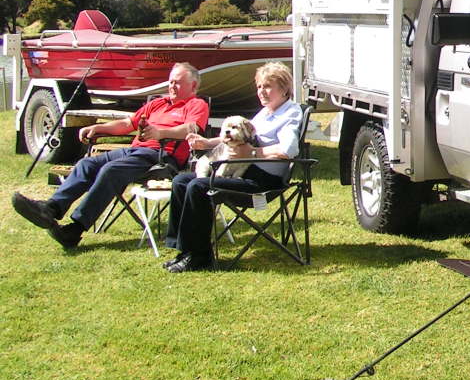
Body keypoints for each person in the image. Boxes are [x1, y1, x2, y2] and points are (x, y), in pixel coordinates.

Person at [11, 62, 209, 250]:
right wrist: (98, 127)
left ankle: (74, 230)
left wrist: (160, 133)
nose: (172, 86)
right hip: (134, 151)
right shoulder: (157, 104)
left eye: (177, 82)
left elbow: (192, 129)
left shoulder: (196, 104)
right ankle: (51, 208)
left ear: (193, 86)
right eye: (170, 81)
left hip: (161, 157)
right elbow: (127, 124)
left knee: (110, 171)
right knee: (86, 164)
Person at [163, 61, 302, 273]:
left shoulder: (289, 113)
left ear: (284, 88)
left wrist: (253, 153)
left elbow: (289, 149)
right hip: (240, 170)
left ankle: (200, 257)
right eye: (259, 86)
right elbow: (236, 139)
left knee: (199, 187)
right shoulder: (265, 113)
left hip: (261, 181)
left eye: (267, 86)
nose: (261, 91)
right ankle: (184, 250)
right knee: (181, 181)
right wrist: (207, 143)